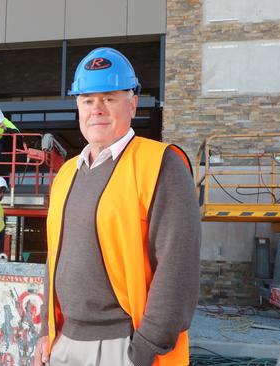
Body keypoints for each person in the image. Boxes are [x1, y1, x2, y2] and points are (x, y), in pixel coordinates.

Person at [33, 47, 201, 366]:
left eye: (109, 98)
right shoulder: (67, 173)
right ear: (78, 107)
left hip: (123, 346)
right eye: (87, 100)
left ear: (132, 104)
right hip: (65, 340)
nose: (97, 109)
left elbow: (178, 266)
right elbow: (54, 259)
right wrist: (47, 329)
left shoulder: (161, 164)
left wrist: (146, 347)